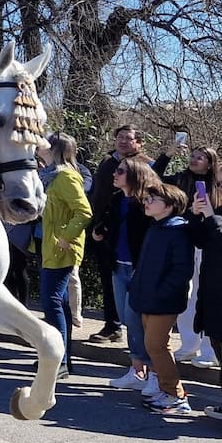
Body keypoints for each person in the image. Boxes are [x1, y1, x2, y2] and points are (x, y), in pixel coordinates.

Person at [128, 182, 194, 414]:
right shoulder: (156, 227)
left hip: (163, 301)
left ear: (169, 205)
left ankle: (176, 395)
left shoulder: (178, 231)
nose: (146, 202)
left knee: (156, 346)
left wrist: (161, 293)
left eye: (152, 199)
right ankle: (165, 390)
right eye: (146, 199)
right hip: (148, 297)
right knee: (154, 345)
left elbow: (181, 270)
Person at [154, 142, 221, 368]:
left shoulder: (220, 185)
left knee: (207, 295)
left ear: (210, 162)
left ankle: (210, 350)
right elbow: (154, 179)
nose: (194, 160)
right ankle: (189, 345)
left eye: (200, 157)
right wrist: (168, 154)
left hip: (210, 246)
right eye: (192, 155)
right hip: (185, 242)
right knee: (186, 294)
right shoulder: (180, 180)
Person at [93, 154, 155, 393]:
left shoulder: (147, 203)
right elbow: (108, 223)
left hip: (139, 268)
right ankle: (136, 370)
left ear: (134, 175)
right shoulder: (117, 198)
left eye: (120, 171)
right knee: (127, 318)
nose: (114, 175)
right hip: (118, 266)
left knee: (137, 319)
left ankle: (149, 371)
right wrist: (100, 232)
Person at [36, 132, 92, 377]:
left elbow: (84, 212)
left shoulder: (66, 176)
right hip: (51, 246)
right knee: (59, 304)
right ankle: (63, 360)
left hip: (61, 248)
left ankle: (57, 361)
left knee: (52, 303)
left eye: (46, 143)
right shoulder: (50, 175)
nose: (40, 145)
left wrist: (66, 237)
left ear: (55, 149)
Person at [87, 125, 149, 343]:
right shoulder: (108, 162)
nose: (122, 141)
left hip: (130, 239)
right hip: (104, 229)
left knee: (132, 291)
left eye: (128, 138)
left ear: (138, 143)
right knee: (108, 279)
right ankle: (112, 325)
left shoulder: (143, 165)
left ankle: (139, 342)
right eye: (119, 137)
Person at [191, 164, 222, 440]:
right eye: (217, 183)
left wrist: (211, 216)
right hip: (216, 296)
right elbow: (201, 240)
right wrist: (199, 216)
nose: (219, 188)